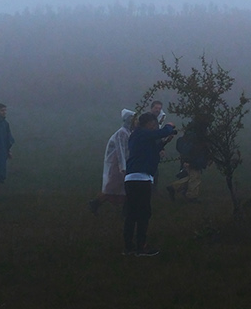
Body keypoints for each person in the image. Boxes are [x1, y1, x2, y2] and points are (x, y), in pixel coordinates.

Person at [122, 111, 177, 256]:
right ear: (148, 124)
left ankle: (129, 247)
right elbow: (162, 132)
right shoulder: (142, 133)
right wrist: (169, 126)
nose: (155, 127)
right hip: (141, 179)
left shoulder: (138, 136)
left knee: (132, 214)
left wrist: (165, 142)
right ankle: (142, 246)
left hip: (133, 179)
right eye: (154, 124)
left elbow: (150, 151)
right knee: (143, 214)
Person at [89, 110, 134, 213]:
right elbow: (120, 150)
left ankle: (126, 209)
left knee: (120, 186)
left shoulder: (128, 132)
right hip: (117, 164)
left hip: (122, 163)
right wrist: (122, 166)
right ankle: (96, 202)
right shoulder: (122, 132)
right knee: (113, 187)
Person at [169, 115, 211, 202]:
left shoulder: (190, 132)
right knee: (195, 178)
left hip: (192, 159)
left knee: (191, 177)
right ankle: (191, 196)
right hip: (193, 159)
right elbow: (196, 149)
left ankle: (174, 187)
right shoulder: (197, 135)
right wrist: (189, 161)